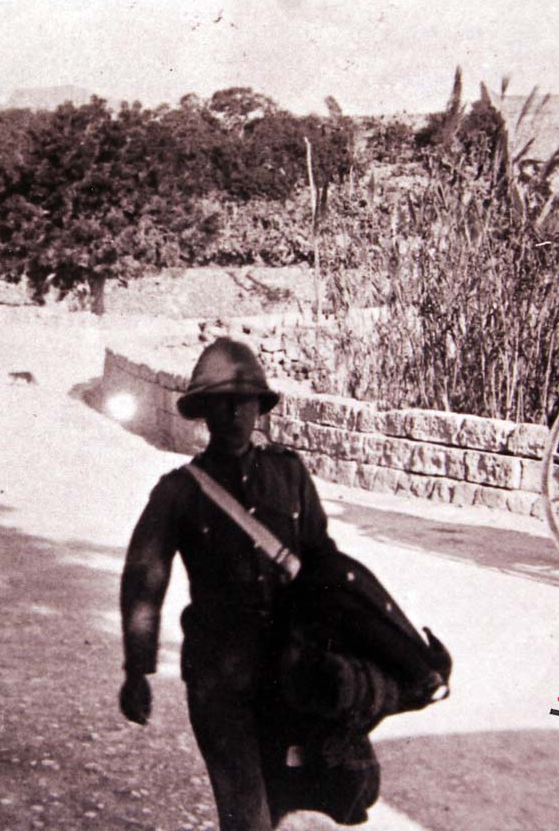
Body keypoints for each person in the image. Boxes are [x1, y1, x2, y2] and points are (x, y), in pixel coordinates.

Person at [118, 338, 447, 831]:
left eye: (243, 402)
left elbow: (323, 565)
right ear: (203, 413)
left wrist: (372, 647)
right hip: (218, 683)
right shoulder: (179, 492)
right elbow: (145, 577)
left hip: (290, 678)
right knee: (247, 818)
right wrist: (137, 669)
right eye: (220, 404)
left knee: (292, 806)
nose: (233, 415)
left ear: (258, 408)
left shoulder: (289, 475)